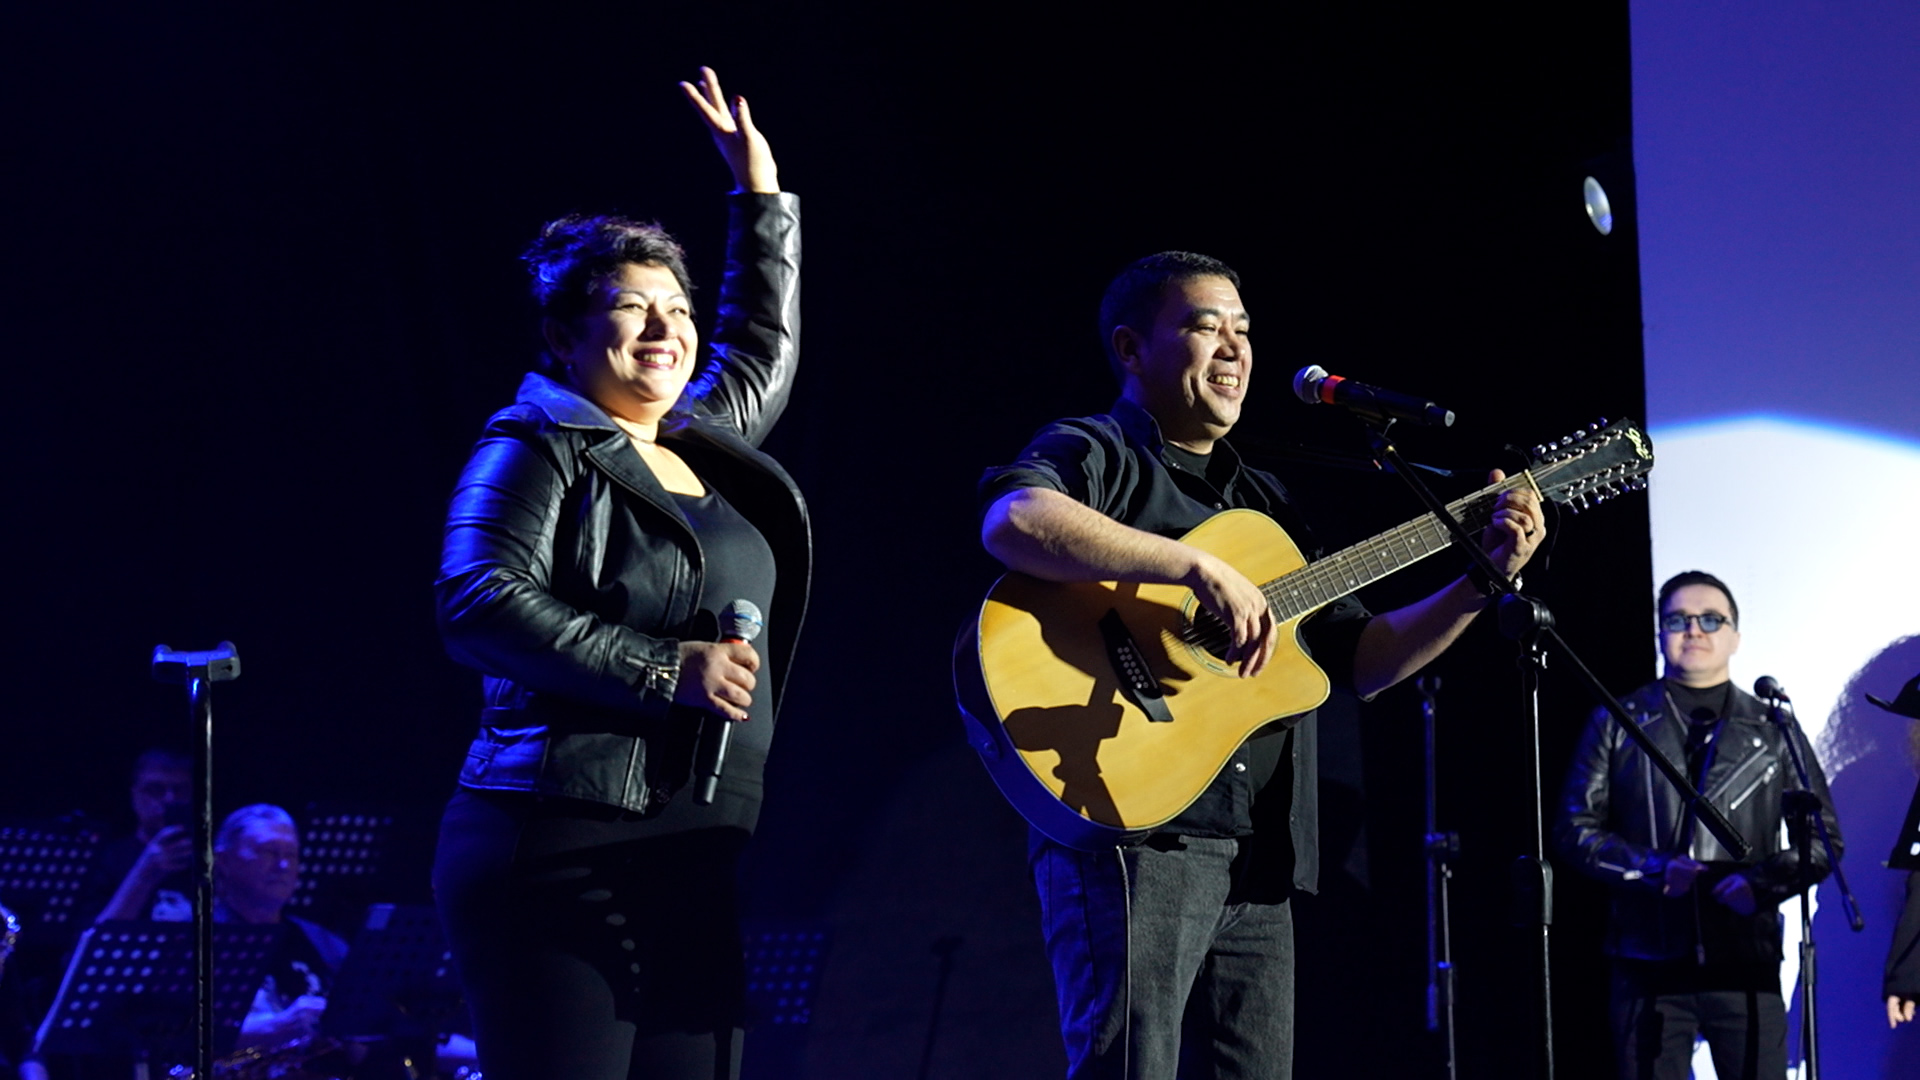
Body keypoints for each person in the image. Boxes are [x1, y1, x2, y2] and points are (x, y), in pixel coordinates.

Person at [977, 251, 1544, 1078]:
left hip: (1260, 857)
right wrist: (1191, 568)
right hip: (1138, 836)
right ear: (1132, 349)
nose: (1235, 348)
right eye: (1205, 327)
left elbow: (1365, 660)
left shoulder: (1267, 504)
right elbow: (1015, 518)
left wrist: (1481, 579)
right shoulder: (1101, 450)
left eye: (1243, 331)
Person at [431, 67, 805, 1080]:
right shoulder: (534, 443)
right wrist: (664, 667)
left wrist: (760, 196)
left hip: (689, 850)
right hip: (558, 840)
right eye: (631, 308)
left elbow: (761, 348)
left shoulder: (705, 441)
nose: (665, 329)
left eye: (677, 309)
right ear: (563, 337)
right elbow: (476, 601)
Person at [1556, 571, 1842, 1080]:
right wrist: (1654, 869)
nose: (1694, 630)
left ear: (1735, 636)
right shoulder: (1619, 719)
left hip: (1745, 963)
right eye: (1678, 620)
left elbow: (1823, 841)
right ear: (1660, 633)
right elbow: (1574, 829)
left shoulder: (1772, 726)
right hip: (1647, 961)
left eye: (1711, 619)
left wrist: (1758, 885)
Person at [81, 749, 195, 925]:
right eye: (155, 790)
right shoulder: (105, 859)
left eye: (181, 790)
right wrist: (146, 872)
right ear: (134, 795)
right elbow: (93, 935)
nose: (169, 799)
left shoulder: (212, 860)